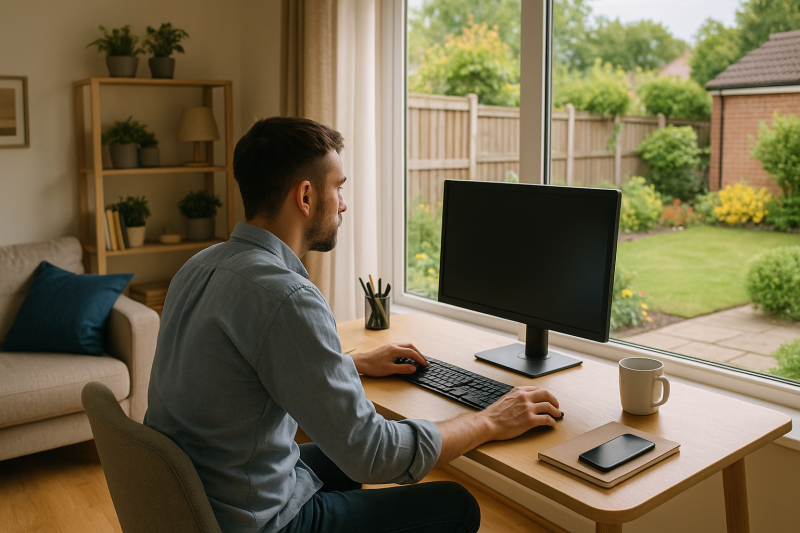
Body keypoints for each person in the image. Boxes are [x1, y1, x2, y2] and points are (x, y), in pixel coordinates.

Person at [144, 116, 561, 533]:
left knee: (336, 464)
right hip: (255, 521)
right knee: (456, 503)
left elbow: (242, 369)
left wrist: (352, 364)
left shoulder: (200, 265)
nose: (343, 203)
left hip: (201, 495)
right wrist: (489, 420)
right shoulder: (287, 296)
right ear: (305, 196)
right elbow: (374, 454)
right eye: (338, 187)